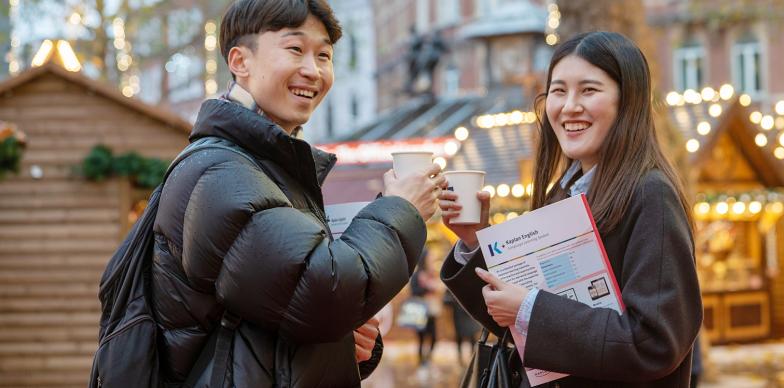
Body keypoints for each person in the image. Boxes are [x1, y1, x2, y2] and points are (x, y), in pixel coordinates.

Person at [150, 0, 446, 386]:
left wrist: (345, 343)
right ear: (240, 62)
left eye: (324, 55)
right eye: (295, 49)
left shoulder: (265, 166)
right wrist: (402, 208)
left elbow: (286, 312)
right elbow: (324, 293)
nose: (313, 70)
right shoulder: (223, 173)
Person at [438, 31, 703, 387]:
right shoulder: (562, 193)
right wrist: (473, 243)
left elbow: (654, 343)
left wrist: (531, 308)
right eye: (559, 91)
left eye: (589, 90)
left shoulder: (650, 195)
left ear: (629, 101)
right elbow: (517, 323)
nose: (569, 106)